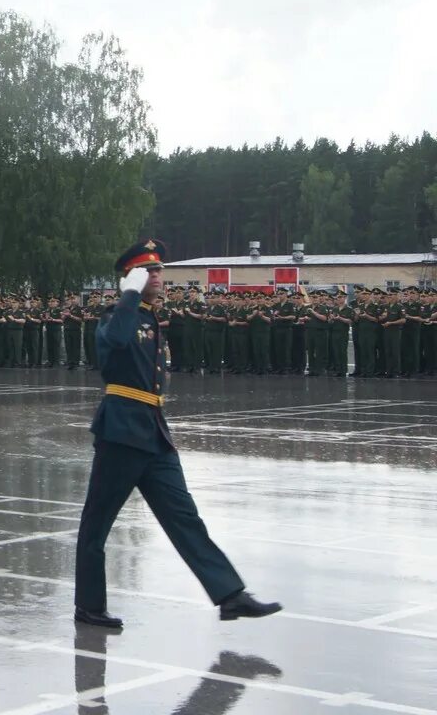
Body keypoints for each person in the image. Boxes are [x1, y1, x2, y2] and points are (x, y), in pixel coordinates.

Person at [73, 240, 281, 629]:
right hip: (121, 433)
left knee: (185, 517)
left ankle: (229, 595)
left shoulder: (150, 318)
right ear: (131, 277)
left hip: (153, 433)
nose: (158, 276)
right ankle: (88, 606)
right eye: (149, 271)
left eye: (158, 270)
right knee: (96, 524)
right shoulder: (115, 317)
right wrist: (129, 296)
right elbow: (114, 344)